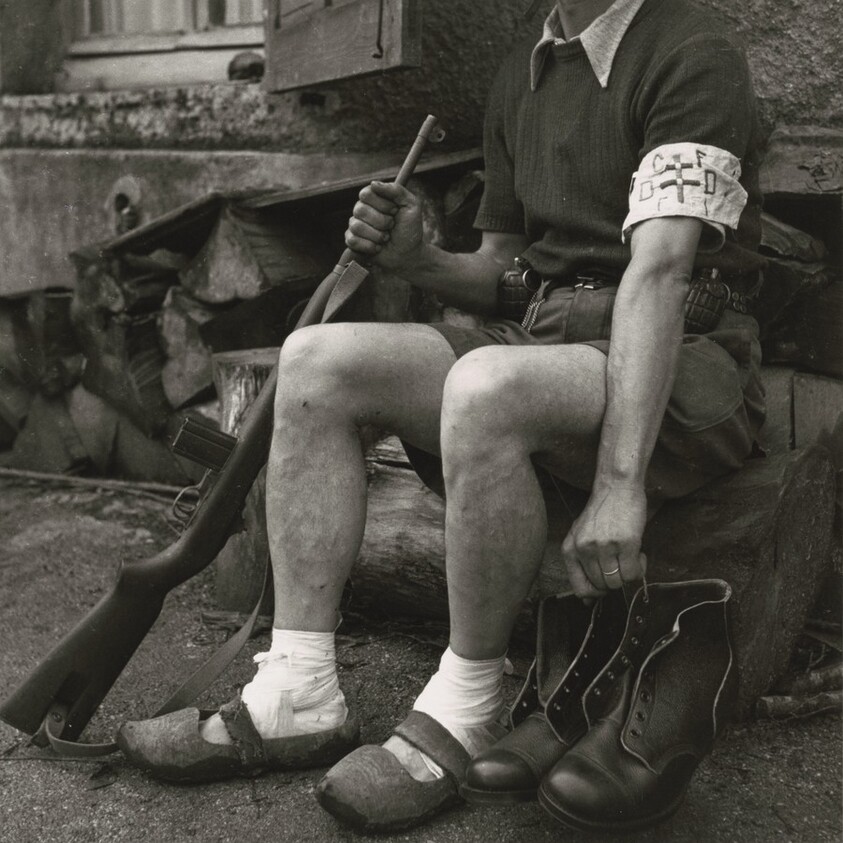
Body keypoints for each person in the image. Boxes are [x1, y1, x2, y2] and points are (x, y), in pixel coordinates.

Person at [118, 0, 766, 833]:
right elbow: (503, 269)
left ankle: (468, 702)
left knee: (485, 387)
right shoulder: (524, 70)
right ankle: (297, 689)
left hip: (685, 360)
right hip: (543, 342)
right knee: (317, 360)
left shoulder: (691, 51)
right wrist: (417, 260)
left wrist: (617, 487)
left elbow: (662, 275)